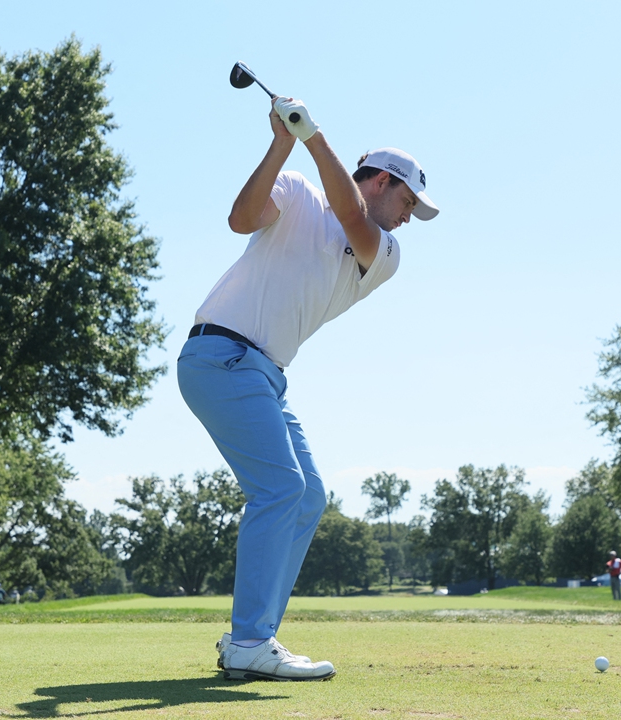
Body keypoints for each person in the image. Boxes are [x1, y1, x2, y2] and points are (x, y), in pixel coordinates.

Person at [179, 93, 437, 683]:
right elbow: (240, 220)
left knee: (308, 494)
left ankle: (254, 636)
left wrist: (314, 135)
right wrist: (282, 144)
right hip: (221, 354)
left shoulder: (386, 252)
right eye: (406, 200)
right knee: (280, 487)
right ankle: (249, 641)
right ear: (382, 182)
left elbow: (352, 217)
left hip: (264, 375)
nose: (407, 216)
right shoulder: (297, 190)